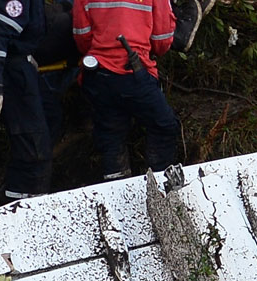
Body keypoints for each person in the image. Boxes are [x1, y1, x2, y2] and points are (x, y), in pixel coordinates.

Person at [72, 0, 179, 179]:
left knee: (111, 135)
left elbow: (81, 36)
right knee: (164, 126)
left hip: (98, 75)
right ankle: (159, 185)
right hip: (134, 73)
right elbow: (162, 40)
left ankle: (117, 192)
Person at [0, 0, 53, 201]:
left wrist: (25, 54)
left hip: (17, 65)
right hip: (11, 73)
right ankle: (23, 208)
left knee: (35, 141)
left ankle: (20, 200)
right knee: (33, 147)